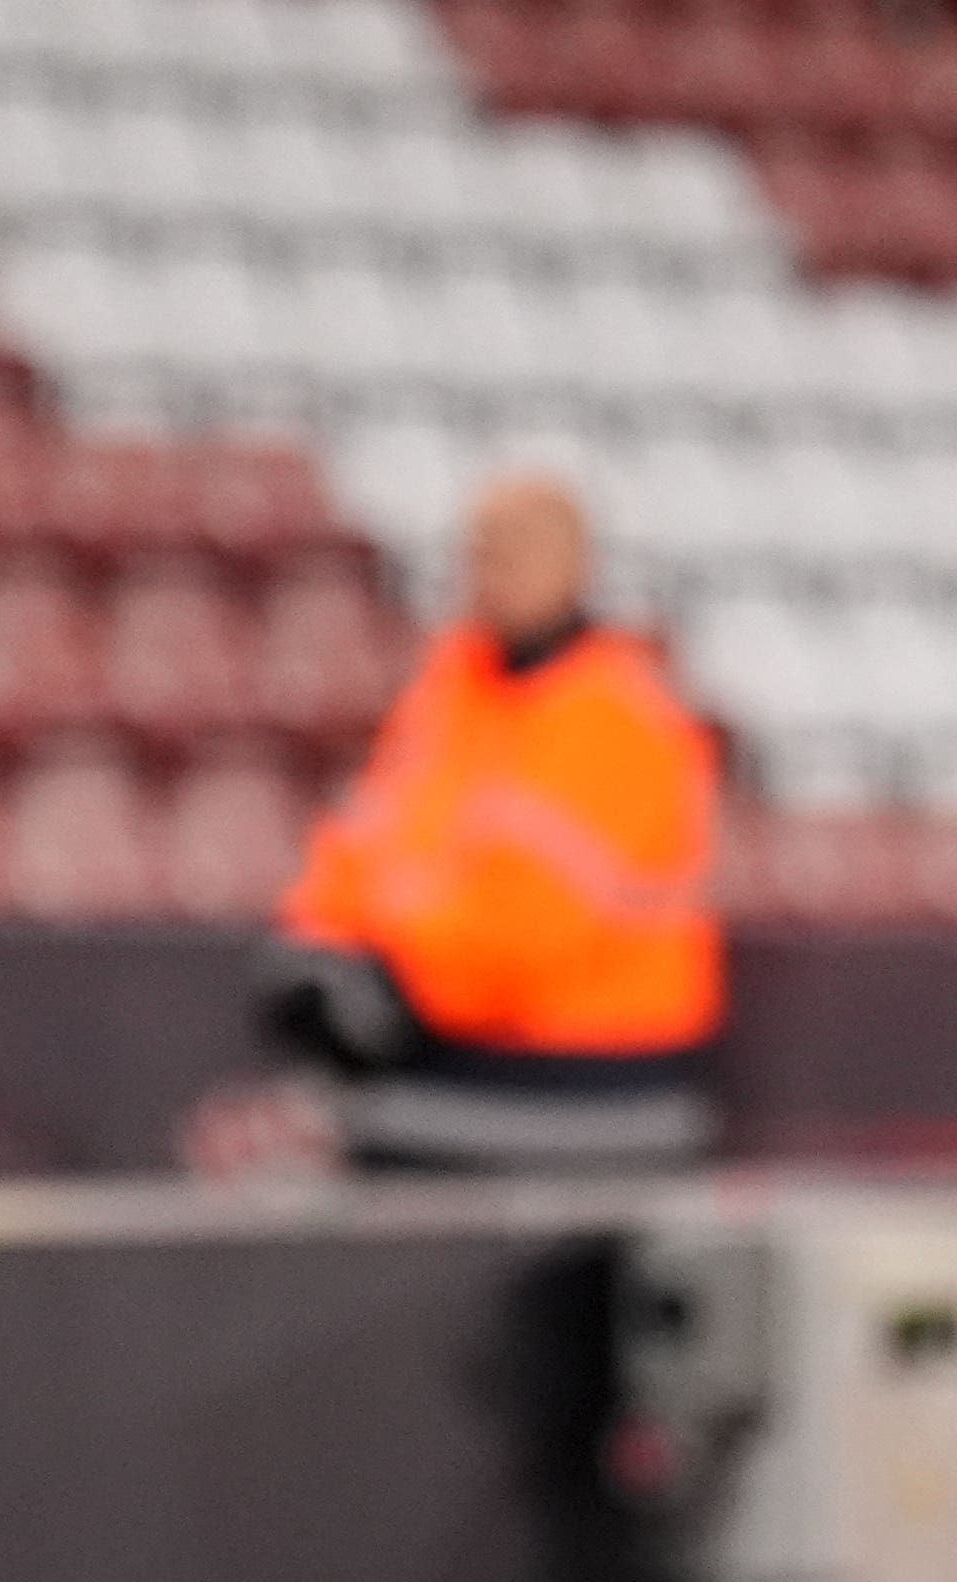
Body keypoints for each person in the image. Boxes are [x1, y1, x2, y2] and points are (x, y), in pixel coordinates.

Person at [264, 472, 728, 1170]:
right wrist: (320, 954)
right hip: (459, 1039)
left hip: (595, 1062)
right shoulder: (449, 692)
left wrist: (396, 982)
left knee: (344, 1147)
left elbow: (535, 925)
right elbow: (362, 845)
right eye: (478, 549)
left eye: (514, 548)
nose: (488, 570)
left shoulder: (620, 715)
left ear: (576, 565)